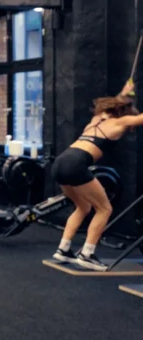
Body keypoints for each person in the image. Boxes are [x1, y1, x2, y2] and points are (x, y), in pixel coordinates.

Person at [50, 80, 139, 271]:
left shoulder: (98, 119)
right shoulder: (120, 122)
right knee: (104, 209)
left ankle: (63, 249)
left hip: (61, 162)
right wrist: (126, 100)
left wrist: (125, 93)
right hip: (76, 163)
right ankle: (87, 254)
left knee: (83, 206)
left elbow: (118, 103)